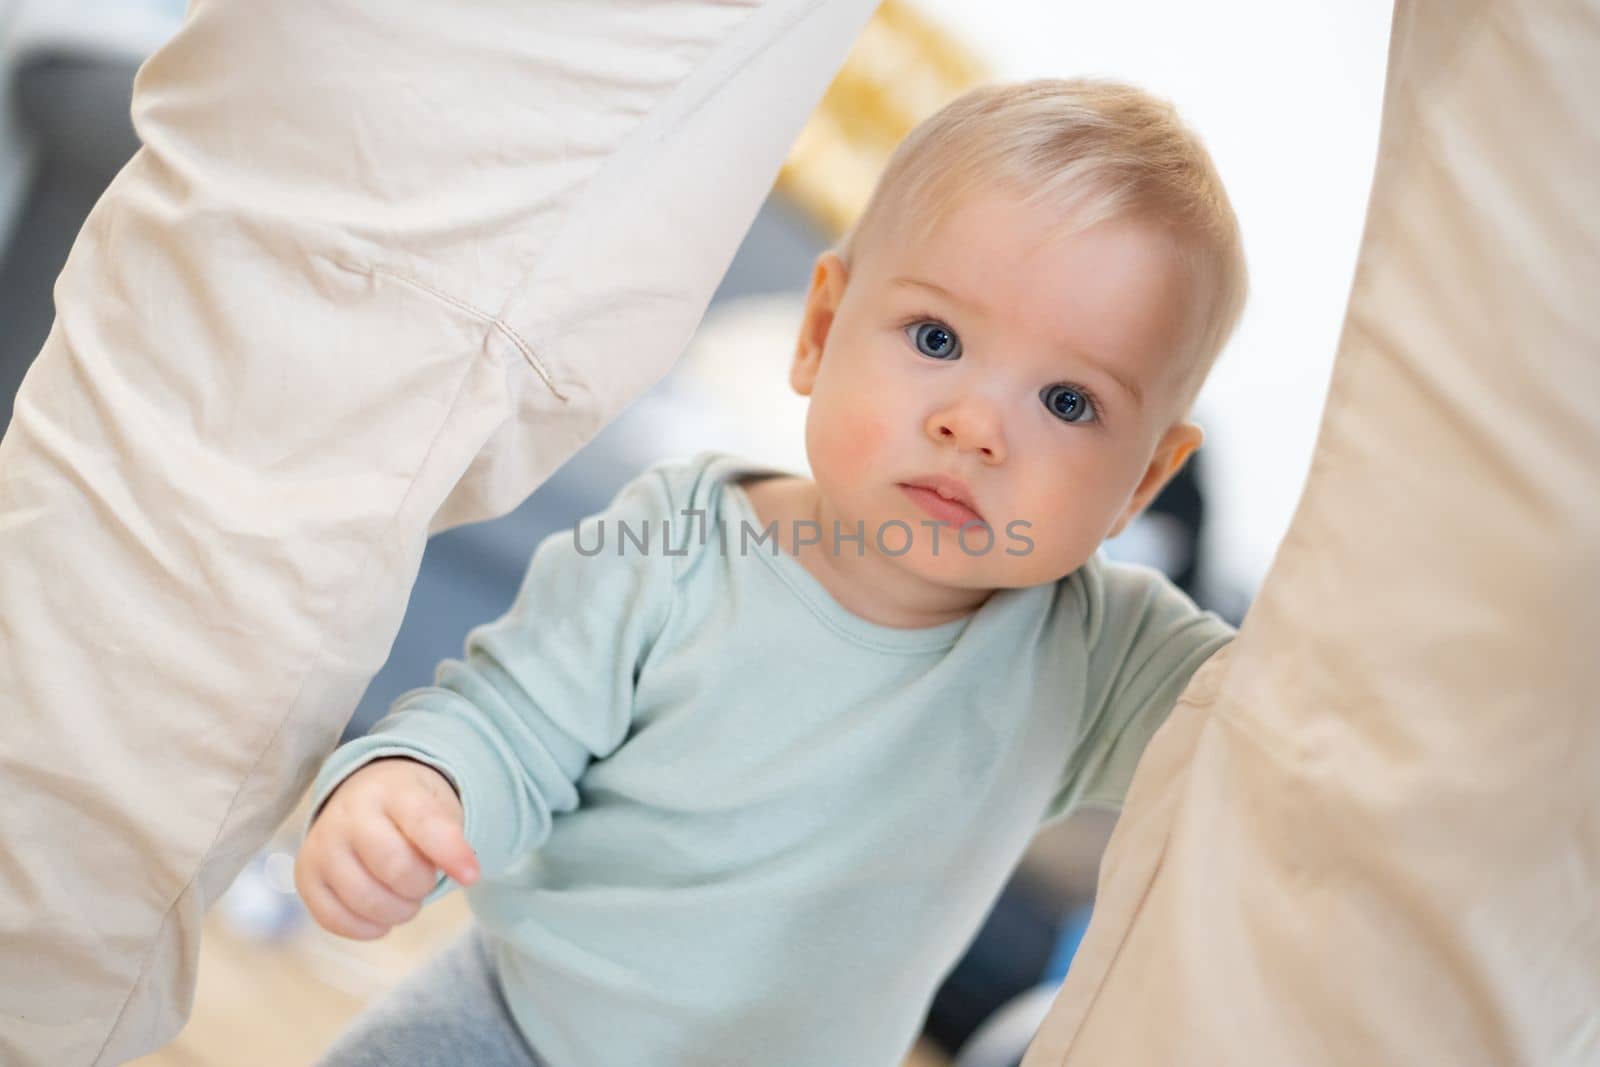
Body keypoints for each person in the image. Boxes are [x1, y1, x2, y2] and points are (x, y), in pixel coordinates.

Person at [294, 78, 1249, 1067]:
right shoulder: (676, 542)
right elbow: (507, 721)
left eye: (1066, 399)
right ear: (820, 330)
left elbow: (1300, 731)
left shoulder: (1099, 655)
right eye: (936, 339)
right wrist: (418, 785)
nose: (974, 425)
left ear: (1140, 480)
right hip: (516, 1026)